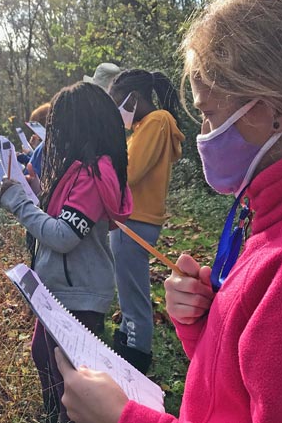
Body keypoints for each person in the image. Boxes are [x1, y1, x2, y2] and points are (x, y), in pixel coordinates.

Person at [54, 0, 282, 422]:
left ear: (275, 110)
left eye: (208, 113)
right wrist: (209, 324)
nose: (205, 134)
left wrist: (122, 419)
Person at [0, 81, 133, 423]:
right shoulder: (80, 170)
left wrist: (19, 205)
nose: (50, 136)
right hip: (59, 290)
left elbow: (63, 235)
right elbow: (64, 215)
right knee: (43, 354)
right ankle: (57, 415)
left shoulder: (91, 174)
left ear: (75, 127)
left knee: (71, 378)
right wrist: (34, 191)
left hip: (79, 295)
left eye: (56, 127)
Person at [107, 69, 185, 374]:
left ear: (134, 98)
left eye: (118, 104)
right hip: (135, 221)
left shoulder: (156, 122)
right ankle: (126, 347)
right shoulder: (147, 126)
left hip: (134, 221)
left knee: (134, 300)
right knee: (128, 295)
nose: (117, 112)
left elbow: (130, 172)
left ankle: (135, 363)